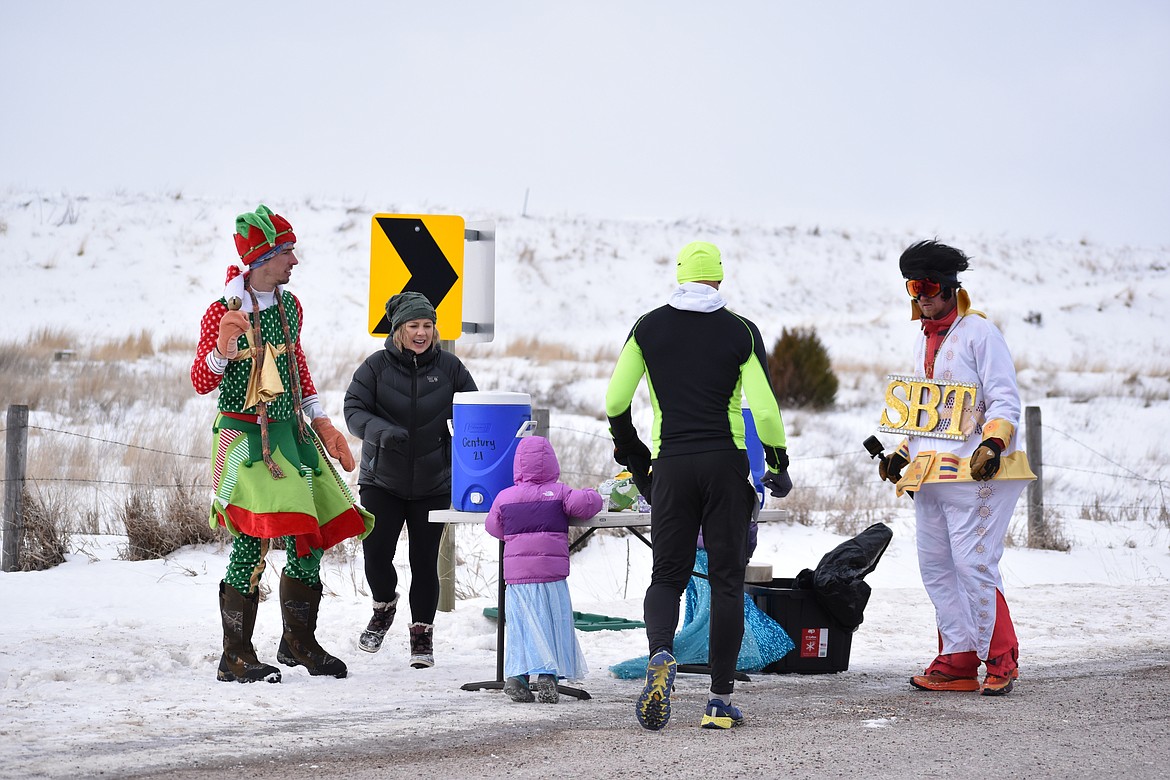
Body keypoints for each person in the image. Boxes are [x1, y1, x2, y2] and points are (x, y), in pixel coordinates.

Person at [604, 240, 792, 731]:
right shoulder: (741, 331)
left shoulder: (648, 327)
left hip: (671, 465)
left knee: (667, 575)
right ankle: (719, 702)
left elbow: (615, 400)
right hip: (725, 465)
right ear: (719, 280)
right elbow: (766, 410)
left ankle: (662, 652)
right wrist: (778, 461)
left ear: (679, 276)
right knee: (728, 582)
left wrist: (634, 453)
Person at [191, 204, 373, 684]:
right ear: (263, 258)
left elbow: (298, 370)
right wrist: (221, 351)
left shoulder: (290, 308)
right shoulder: (222, 312)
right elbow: (199, 382)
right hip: (239, 437)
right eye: (288, 252)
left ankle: (298, 643)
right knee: (252, 539)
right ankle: (235, 655)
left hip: (291, 436)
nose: (295, 261)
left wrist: (324, 423)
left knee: (307, 536)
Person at [878, 240, 1036, 696]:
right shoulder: (920, 341)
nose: (921, 295)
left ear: (950, 287)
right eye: (913, 286)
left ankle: (1001, 657)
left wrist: (993, 443)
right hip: (930, 478)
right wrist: (902, 455)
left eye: (928, 285)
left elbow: (1004, 398)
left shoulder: (980, 334)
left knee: (974, 564)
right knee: (936, 567)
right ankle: (959, 659)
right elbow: (927, 416)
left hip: (974, 477)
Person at [344, 291, 477, 668]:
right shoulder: (375, 367)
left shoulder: (451, 368)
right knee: (376, 554)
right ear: (398, 330)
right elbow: (353, 409)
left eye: (428, 325)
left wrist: (457, 450)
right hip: (382, 479)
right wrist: (382, 431)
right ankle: (384, 606)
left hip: (434, 482)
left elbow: (473, 413)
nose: (422, 332)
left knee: (424, 560)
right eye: (414, 326)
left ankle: (422, 635)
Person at [485, 435, 603, 704]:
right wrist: (593, 493)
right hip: (551, 576)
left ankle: (517, 677)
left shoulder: (505, 498)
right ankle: (548, 677)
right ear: (551, 462)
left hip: (517, 579)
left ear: (517, 465)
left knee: (523, 628)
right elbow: (586, 506)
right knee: (550, 624)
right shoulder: (560, 492)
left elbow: (493, 527)